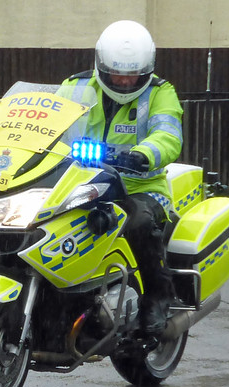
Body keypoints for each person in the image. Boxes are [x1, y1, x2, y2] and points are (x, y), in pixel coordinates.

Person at [62, 20, 183, 336]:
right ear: (101, 66)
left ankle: (158, 297)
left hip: (140, 187)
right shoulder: (74, 87)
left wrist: (144, 154)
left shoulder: (160, 92)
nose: (124, 80)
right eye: (117, 73)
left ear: (146, 71)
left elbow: (168, 134)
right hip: (81, 184)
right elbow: (46, 124)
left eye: (132, 75)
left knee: (140, 223)